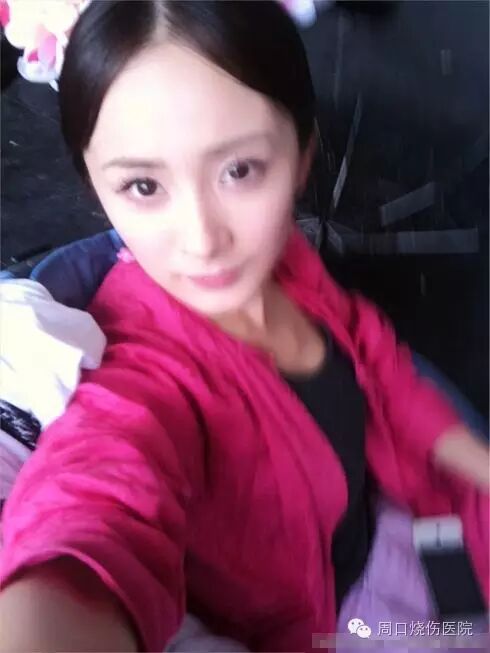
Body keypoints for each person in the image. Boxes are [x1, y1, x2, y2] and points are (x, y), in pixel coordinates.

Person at [0, 2, 488, 651]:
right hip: (331, 622)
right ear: (94, 183)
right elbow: (94, 507)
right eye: (143, 186)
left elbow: (375, 359)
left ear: (302, 155)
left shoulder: (287, 263)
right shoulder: (142, 375)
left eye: (240, 171)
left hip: (405, 513)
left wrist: (476, 464)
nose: (203, 240)